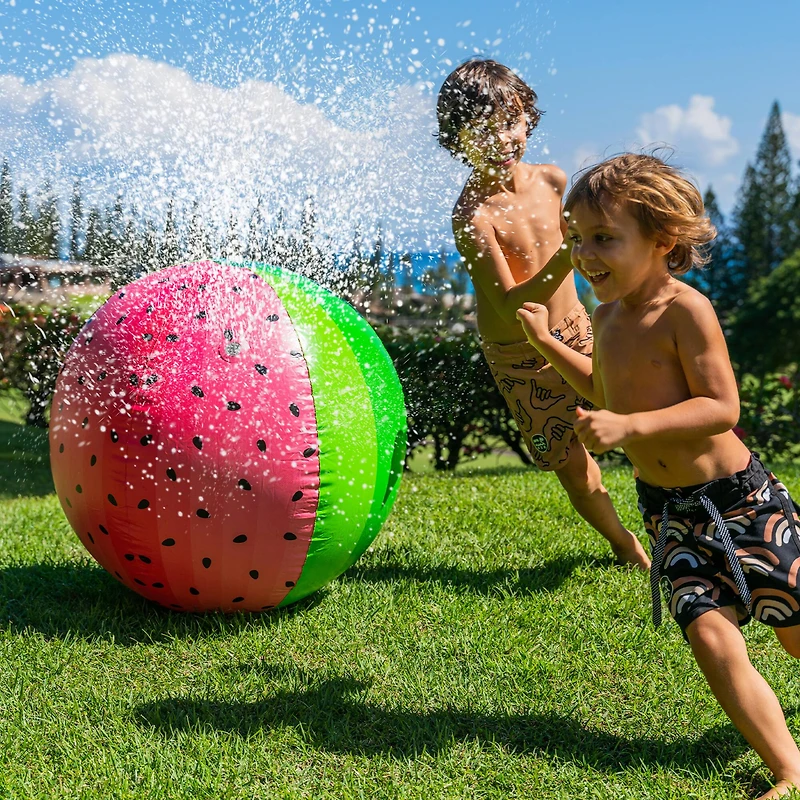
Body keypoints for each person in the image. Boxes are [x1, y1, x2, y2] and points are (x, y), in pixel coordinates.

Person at [516, 152, 800, 799]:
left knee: (795, 639)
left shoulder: (684, 310)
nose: (585, 254)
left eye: (604, 238)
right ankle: (788, 767)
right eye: (578, 238)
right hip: (671, 514)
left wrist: (630, 428)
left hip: (742, 505)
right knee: (709, 635)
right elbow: (604, 387)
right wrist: (546, 345)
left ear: (661, 240)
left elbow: (721, 407)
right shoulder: (608, 317)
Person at [437, 58, 649, 569]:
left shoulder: (554, 181)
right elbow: (511, 304)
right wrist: (568, 252)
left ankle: (676, 522)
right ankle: (630, 550)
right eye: (483, 130)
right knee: (575, 466)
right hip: (519, 353)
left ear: (528, 116)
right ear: (457, 139)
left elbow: (600, 245)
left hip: (578, 328)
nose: (503, 138)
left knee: (638, 421)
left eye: (511, 121)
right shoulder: (472, 216)